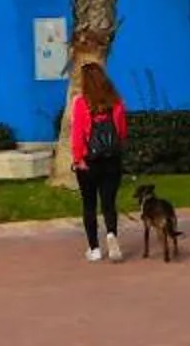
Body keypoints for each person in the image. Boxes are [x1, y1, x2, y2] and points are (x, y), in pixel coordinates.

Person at [66, 61, 130, 263]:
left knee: (89, 205)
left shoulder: (81, 104)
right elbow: (121, 132)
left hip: (89, 162)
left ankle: (94, 248)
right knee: (109, 203)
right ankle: (111, 234)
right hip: (111, 160)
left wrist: (78, 159)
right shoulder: (116, 103)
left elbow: (77, 135)